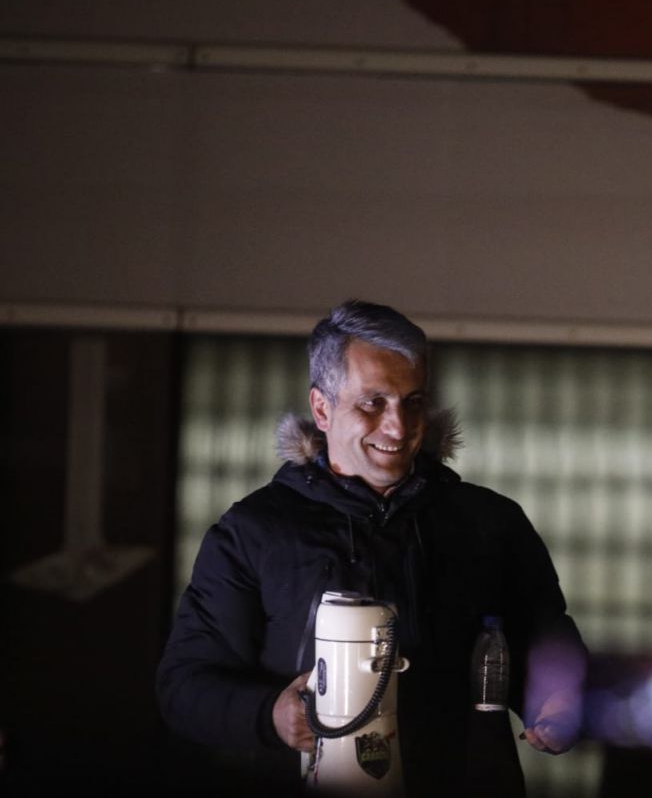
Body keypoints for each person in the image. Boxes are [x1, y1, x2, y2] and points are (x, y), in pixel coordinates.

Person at [156, 300, 586, 796]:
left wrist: (559, 700)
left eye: (412, 402)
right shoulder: (256, 531)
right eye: (372, 403)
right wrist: (269, 714)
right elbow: (183, 687)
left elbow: (548, 638)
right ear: (322, 408)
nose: (398, 428)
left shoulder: (489, 522)